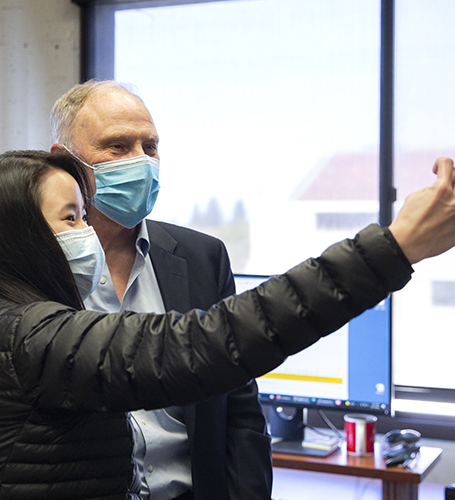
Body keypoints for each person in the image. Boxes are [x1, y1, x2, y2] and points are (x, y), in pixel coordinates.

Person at [0, 148, 455, 500]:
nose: (85, 232)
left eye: (85, 214)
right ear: (19, 235)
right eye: (70, 217)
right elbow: (211, 344)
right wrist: (393, 247)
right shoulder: (26, 333)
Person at [49, 80, 273, 500]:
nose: (141, 162)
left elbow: (239, 411)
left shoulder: (202, 259)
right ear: (64, 162)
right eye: (117, 147)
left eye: (149, 147)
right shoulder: (33, 266)